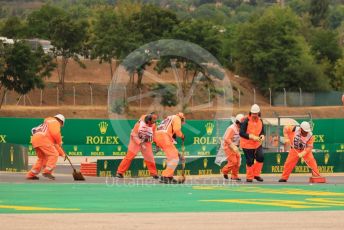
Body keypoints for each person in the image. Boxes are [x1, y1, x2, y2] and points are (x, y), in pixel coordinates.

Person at [116, 113, 158, 179]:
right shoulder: (139, 125)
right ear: (148, 121)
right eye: (152, 121)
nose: (153, 122)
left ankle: (154, 174)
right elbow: (134, 135)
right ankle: (119, 173)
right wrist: (140, 144)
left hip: (146, 140)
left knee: (150, 157)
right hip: (135, 139)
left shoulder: (154, 124)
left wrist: (156, 144)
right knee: (130, 156)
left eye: (154, 121)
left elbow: (154, 134)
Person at [26, 114, 66, 180]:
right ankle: (47, 171)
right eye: (61, 125)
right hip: (43, 139)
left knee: (42, 158)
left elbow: (56, 145)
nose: (60, 126)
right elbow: (55, 133)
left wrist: (63, 154)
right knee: (54, 154)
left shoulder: (47, 123)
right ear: (61, 121)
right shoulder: (55, 122)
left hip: (35, 139)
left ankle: (31, 174)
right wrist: (60, 141)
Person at [154, 112, 185, 184]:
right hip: (164, 136)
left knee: (171, 157)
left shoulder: (167, 119)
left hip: (158, 137)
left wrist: (179, 154)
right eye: (182, 122)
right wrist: (182, 136)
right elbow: (177, 130)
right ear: (181, 118)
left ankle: (169, 177)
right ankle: (164, 176)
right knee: (174, 158)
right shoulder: (177, 118)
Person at [239, 104, 265, 183]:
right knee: (250, 160)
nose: (254, 115)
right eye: (253, 113)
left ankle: (256, 175)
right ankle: (249, 177)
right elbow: (241, 133)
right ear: (250, 113)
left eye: (256, 113)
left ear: (258, 113)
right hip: (247, 144)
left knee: (260, 157)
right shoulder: (246, 121)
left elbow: (262, 131)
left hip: (257, 143)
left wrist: (262, 136)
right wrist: (251, 136)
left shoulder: (260, 121)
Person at [221, 114, 244, 181]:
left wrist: (240, 146)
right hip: (228, 146)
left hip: (235, 147)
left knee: (238, 160)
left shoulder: (240, 128)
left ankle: (234, 176)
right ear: (237, 122)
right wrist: (233, 146)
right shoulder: (232, 128)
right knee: (233, 161)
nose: (241, 125)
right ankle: (224, 171)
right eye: (240, 123)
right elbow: (227, 139)